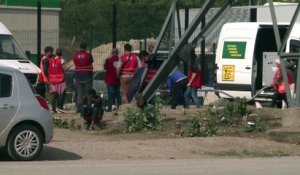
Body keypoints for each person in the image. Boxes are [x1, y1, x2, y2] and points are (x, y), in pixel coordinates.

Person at [72, 42, 94, 112]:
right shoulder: (88, 55)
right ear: (86, 48)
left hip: (78, 75)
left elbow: (75, 63)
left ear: (80, 47)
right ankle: (88, 106)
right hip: (87, 75)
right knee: (88, 92)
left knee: (79, 92)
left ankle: (79, 107)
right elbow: (91, 62)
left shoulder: (75, 55)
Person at [47, 48, 67, 113]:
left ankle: (53, 108)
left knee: (54, 94)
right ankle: (60, 107)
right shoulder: (61, 60)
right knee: (61, 93)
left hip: (52, 80)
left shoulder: (51, 60)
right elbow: (64, 69)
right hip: (60, 80)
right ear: (61, 54)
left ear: (55, 53)